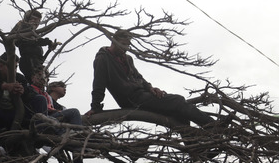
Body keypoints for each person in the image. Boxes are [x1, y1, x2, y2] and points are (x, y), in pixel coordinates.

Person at [86, 29, 215, 129]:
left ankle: (194, 146)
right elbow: (98, 85)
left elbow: (139, 77)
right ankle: (214, 127)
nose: (126, 48)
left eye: (128, 45)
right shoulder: (103, 59)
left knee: (179, 114)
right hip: (132, 99)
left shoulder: (127, 58)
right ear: (114, 41)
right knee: (178, 101)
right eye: (123, 44)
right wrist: (95, 107)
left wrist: (151, 88)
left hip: (142, 94)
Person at [11, 10, 57, 81]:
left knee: (37, 84)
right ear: (28, 19)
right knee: (33, 83)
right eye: (34, 19)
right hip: (28, 62)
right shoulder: (23, 30)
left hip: (35, 63)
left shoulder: (33, 34)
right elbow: (33, 42)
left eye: (38, 20)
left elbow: (40, 59)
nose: (36, 22)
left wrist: (49, 49)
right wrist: (48, 42)